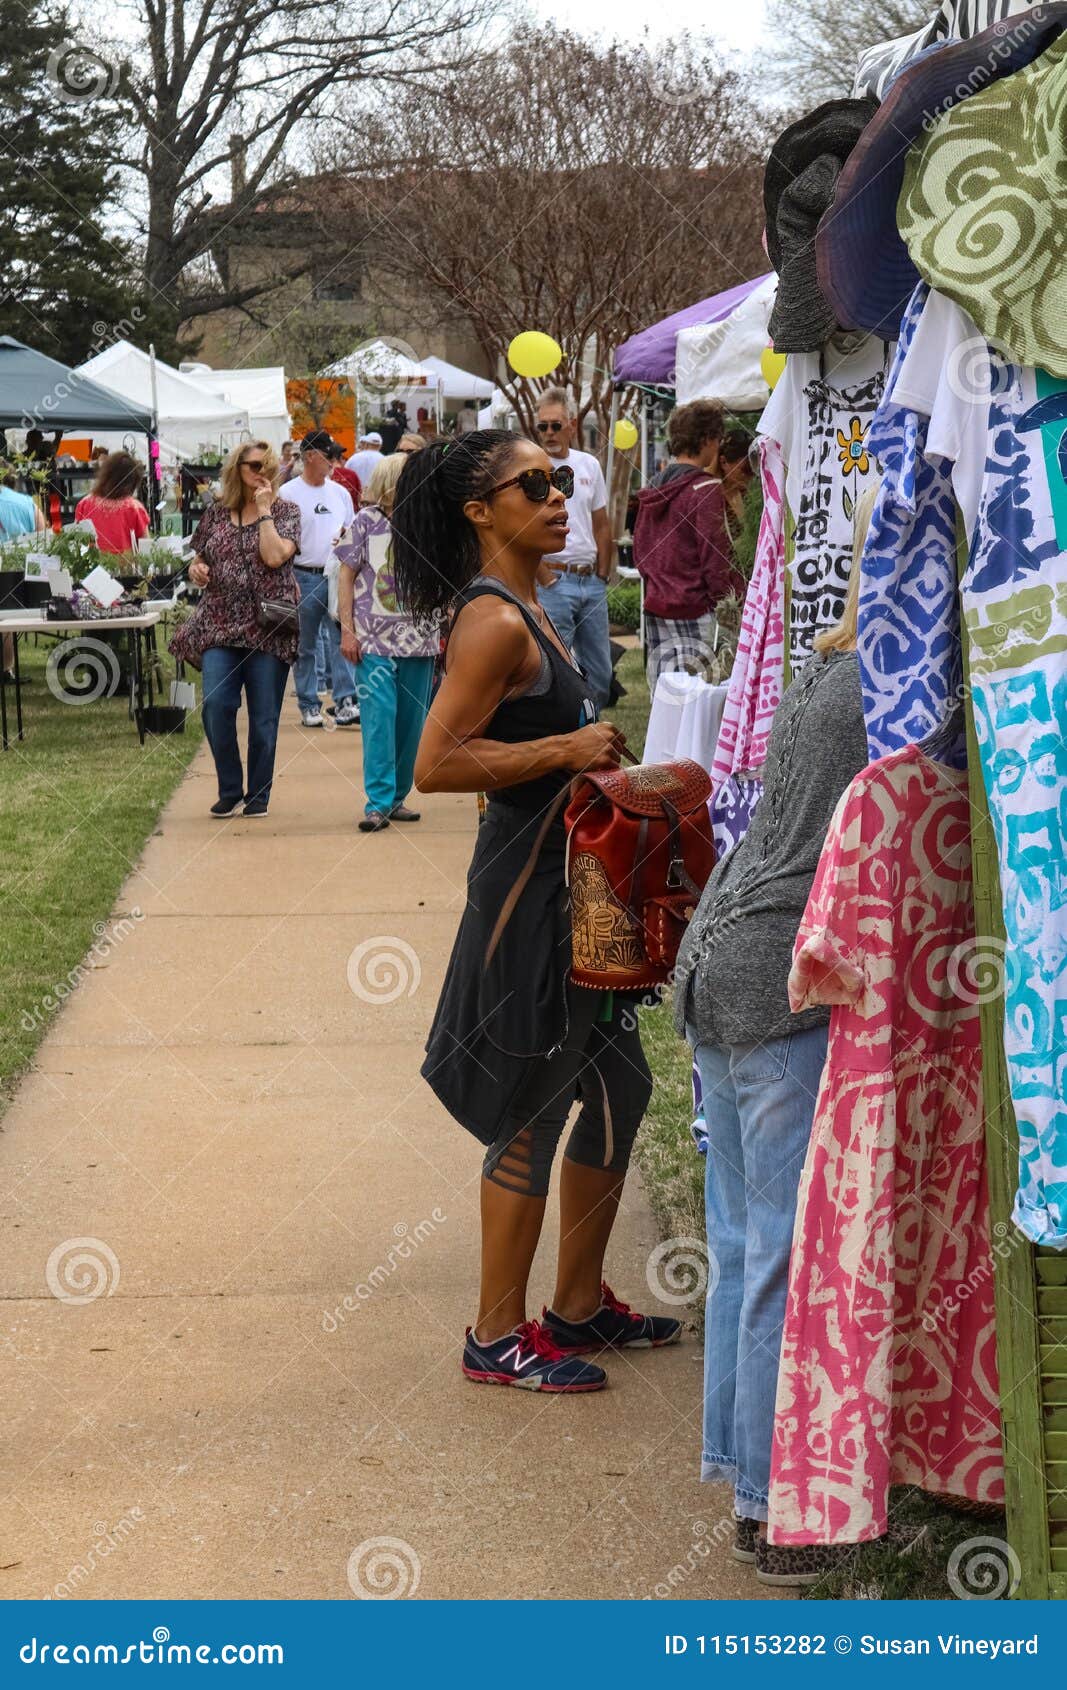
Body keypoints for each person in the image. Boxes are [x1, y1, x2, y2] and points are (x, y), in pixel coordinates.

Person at [391, 429, 680, 1393]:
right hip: (529, 892)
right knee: (530, 1099)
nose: (559, 497)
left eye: (559, 481)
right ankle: (495, 1333)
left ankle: (578, 1303)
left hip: (576, 887)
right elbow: (433, 765)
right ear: (481, 512)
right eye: (534, 486)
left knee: (618, 1088)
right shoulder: (494, 624)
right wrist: (564, 753)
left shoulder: (535, 604)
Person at [673, 517, 872, 1586]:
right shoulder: (884, 688)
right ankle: (766, 1501)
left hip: (723, 957)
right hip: (771, 978)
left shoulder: (819, 667)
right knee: (775, 1255)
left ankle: (740, 1472)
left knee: (744, 1246)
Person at [169, 441, 300, 818]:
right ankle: (230, 787)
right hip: (219, 624)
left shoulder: (286, 512)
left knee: (263, 719)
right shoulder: (215, 513)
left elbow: (275, 556)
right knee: (216, 705)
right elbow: (200, 559)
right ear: (237, 469)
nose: (262, 472)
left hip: (267, 628)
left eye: (268, 465)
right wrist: (196, 570)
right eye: (254, 465)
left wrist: (263, 512)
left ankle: (258, 794)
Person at [337, 453, 439, 832]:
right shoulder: (365, 522)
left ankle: (397, 798)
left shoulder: (429, 523)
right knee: (380, 721)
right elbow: (345, 576)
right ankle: (377, 802)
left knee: (412, 725)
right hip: (373, 641)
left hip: (421, 639)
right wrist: (347, 629)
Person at [632, 400, 746, 689]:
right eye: (718, 440)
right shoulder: (705, 489)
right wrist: (733, 600)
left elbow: (640, 552)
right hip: (698, 612)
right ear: (707, 440)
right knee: (702, 707)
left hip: (657, 607)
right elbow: (716, 559)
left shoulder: (652, 488)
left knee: (666, 704)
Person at [533, 387, 614, 706]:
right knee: (557, 669)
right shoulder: (531, 468)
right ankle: (565, 740)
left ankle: (590, 734)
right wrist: (544, 577)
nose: (549, 433)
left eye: (555, 425)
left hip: (590, 581)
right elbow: (520, 528)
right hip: (554, 581)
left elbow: (602, 522)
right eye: (543, 426)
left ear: (572, 424)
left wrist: (603, 574)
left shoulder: (588, 465)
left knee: (600, 673)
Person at [286, 429, 359, 729]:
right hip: (301, 574)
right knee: (305, 644)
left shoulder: (340, 492)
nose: (334, 461)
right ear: (310, 456)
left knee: (342, 639)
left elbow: (353, 531)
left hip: (335, 574)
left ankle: (345, 701)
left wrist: (345, 539)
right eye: (329, 455)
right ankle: (309, 703)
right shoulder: (287, 493)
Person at [0, 471, 45, 681]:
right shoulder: (28, 503)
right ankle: (6, 668)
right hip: (19, 575)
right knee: (6, 613)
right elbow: (44, 541)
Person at [74, 451, 150, 556]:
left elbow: (76, 542)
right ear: (131, 483)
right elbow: (146, 549)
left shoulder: (84, 504)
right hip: (127, 569)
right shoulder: (134, 508)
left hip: (92, 569)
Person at [719, 423, 756, 529]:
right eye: (746, 469)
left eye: (754, 470)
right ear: (723, 462)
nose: (751, 476)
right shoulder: (714, 499)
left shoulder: (746, 495)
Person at [328, 441, 362, 505]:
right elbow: (359, 498)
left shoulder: (323, 476)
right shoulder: (352, 474)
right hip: (351, 512)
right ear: (340, 458)